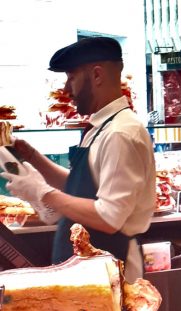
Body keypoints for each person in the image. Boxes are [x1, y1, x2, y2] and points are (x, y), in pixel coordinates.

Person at [0, 36, 156, 284]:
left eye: (71, 77)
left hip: (110, 276)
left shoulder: (121, 133)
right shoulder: (101, 126)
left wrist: (43, 193)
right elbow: (81, 187)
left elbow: (108, 217)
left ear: (97, 75)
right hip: (87, 272)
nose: (65, 88)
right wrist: (33, 158)